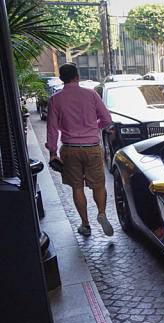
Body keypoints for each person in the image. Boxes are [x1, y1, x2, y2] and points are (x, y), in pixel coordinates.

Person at [46, 63, 114, 237]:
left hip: (70, 149)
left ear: (61, 79)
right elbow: (106, 119)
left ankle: (85, 225)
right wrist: (95, 126)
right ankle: (102, 213)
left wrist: (53, 152)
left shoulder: (55, 99)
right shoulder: (91, 94)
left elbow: (52, 129)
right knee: (98, 184)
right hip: (92, 147)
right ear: (77, 76)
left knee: (77, 187)